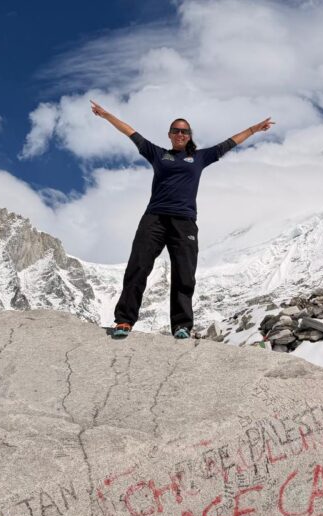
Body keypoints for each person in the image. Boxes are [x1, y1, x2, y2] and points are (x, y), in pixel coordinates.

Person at [91, 101, 274, 339]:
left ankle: (181, 325)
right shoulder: (157, 154)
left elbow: (229, 143)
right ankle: (124, 320)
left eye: (184, 131)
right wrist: (107, 116)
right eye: (176, 130)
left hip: (185, 221)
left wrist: (253, 129)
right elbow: (130, 132)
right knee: (138, 267)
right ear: (169, 135)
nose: (180, 134)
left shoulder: (200, 157)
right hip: (154, 219)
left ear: (189, 136)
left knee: (184, 274)